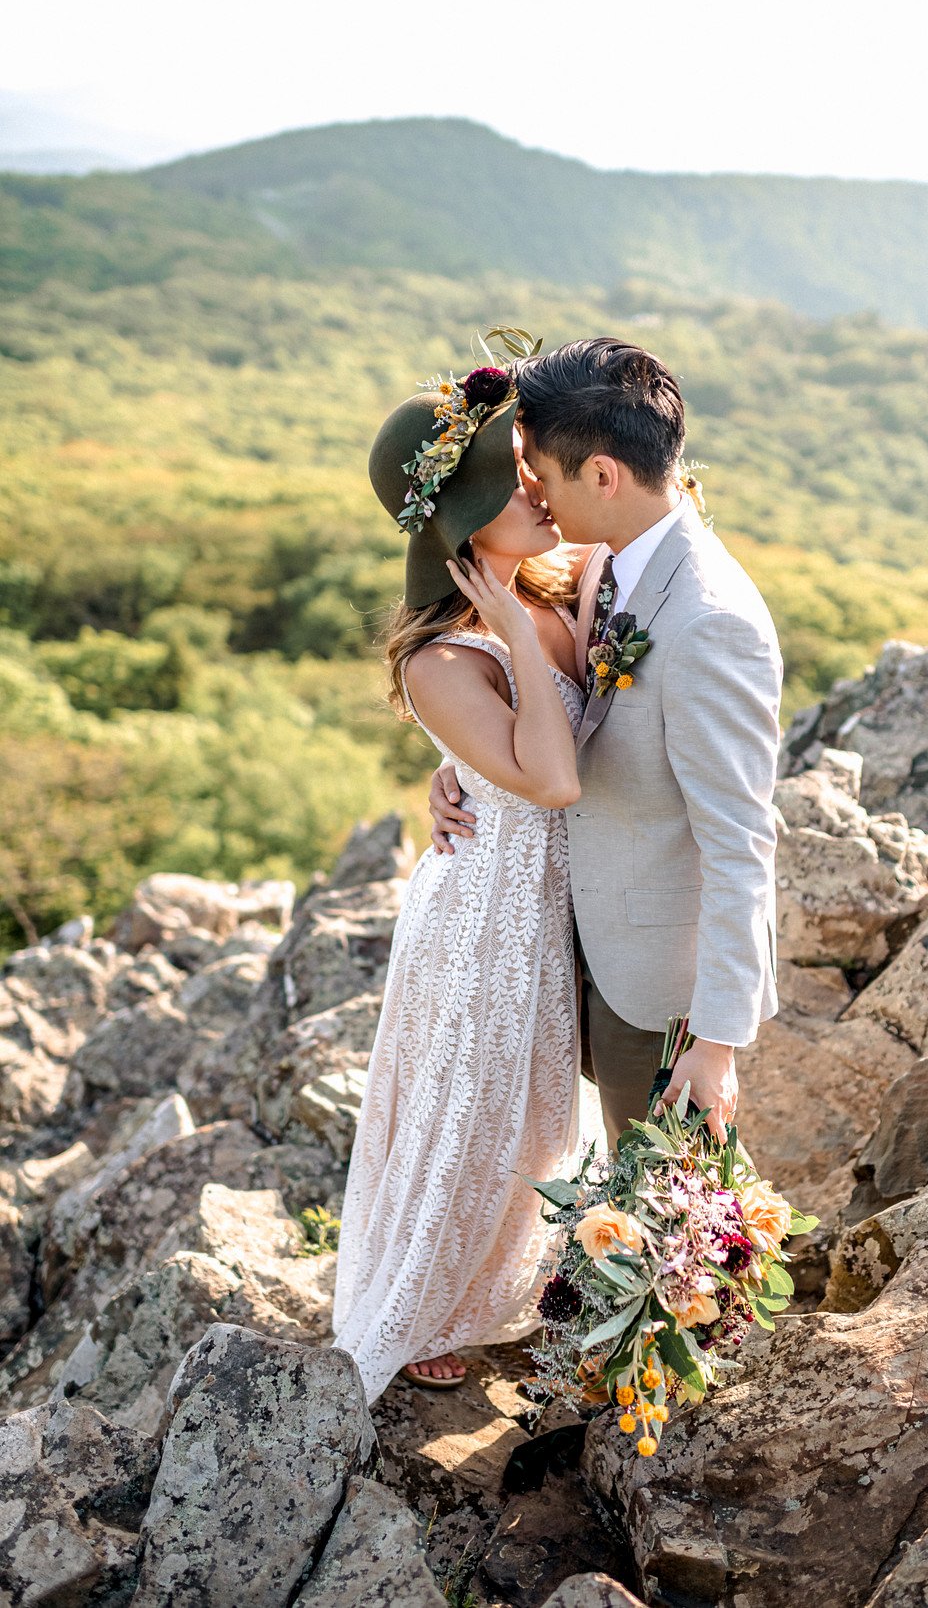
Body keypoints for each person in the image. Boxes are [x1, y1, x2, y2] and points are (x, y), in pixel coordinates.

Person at [429, 337, 783, 1154]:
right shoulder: (607, 565)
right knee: (621, 1208)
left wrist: (718, 1044)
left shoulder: (710, 619)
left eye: (541, 478)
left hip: (662, 990)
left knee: (667, 1219)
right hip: (579, 953)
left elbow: (741, 842)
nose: (536, 500)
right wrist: (465, 771)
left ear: (602, 476)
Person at [331, 370, 602, 1396]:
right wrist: (523, 667)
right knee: (470, 1111)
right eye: (512, 481)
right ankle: (424, 1301)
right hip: (484, 912)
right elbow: (557, 777)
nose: (537, 491)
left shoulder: (557, 575)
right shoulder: (440, 657)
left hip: (543, 902)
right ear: (461, 522)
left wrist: (463, 761)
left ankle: (497, 1286)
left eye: (531, 470)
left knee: (535, 1115)